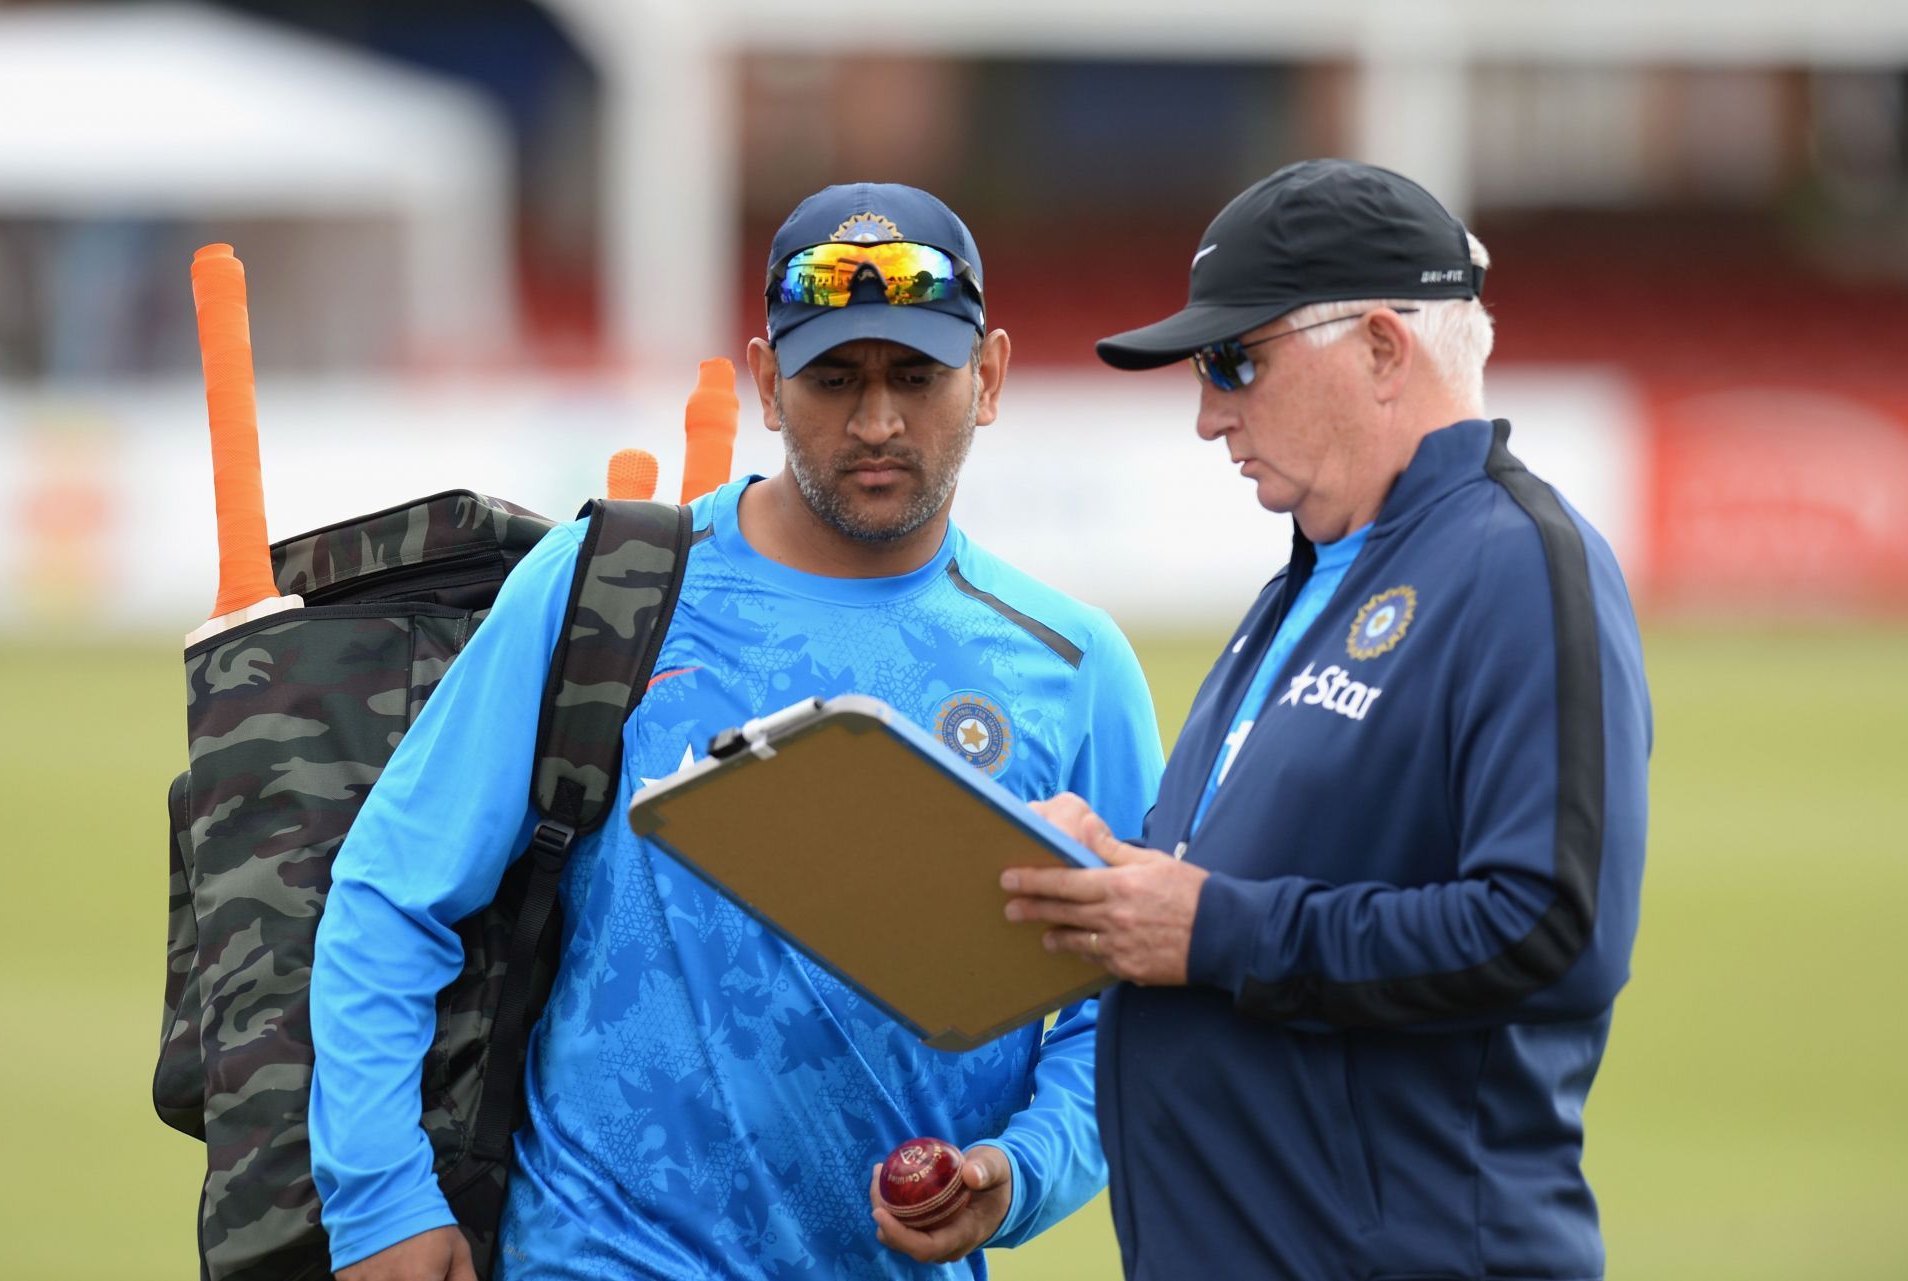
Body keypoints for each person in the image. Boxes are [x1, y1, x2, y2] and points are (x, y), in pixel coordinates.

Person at [308, 182, 1164, 1280]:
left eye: (916, 375)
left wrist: (1021, 1172)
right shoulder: (604, 587)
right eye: (832, 377)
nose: (876, 422)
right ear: (765, 379)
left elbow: (1123, 1015)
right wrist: (380, 1200)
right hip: (595, 1255)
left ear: (989, 377)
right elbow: (391, 892)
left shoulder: (1070, 665)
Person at [1001, 158, 1651, 1280]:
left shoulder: (1517, 561)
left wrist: (1215, 931)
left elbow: (1555, 934)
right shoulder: (1308, 581)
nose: (1209, 414)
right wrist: (1121, 871)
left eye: (1235, 361)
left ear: (1383, 349)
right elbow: (1236, 878)